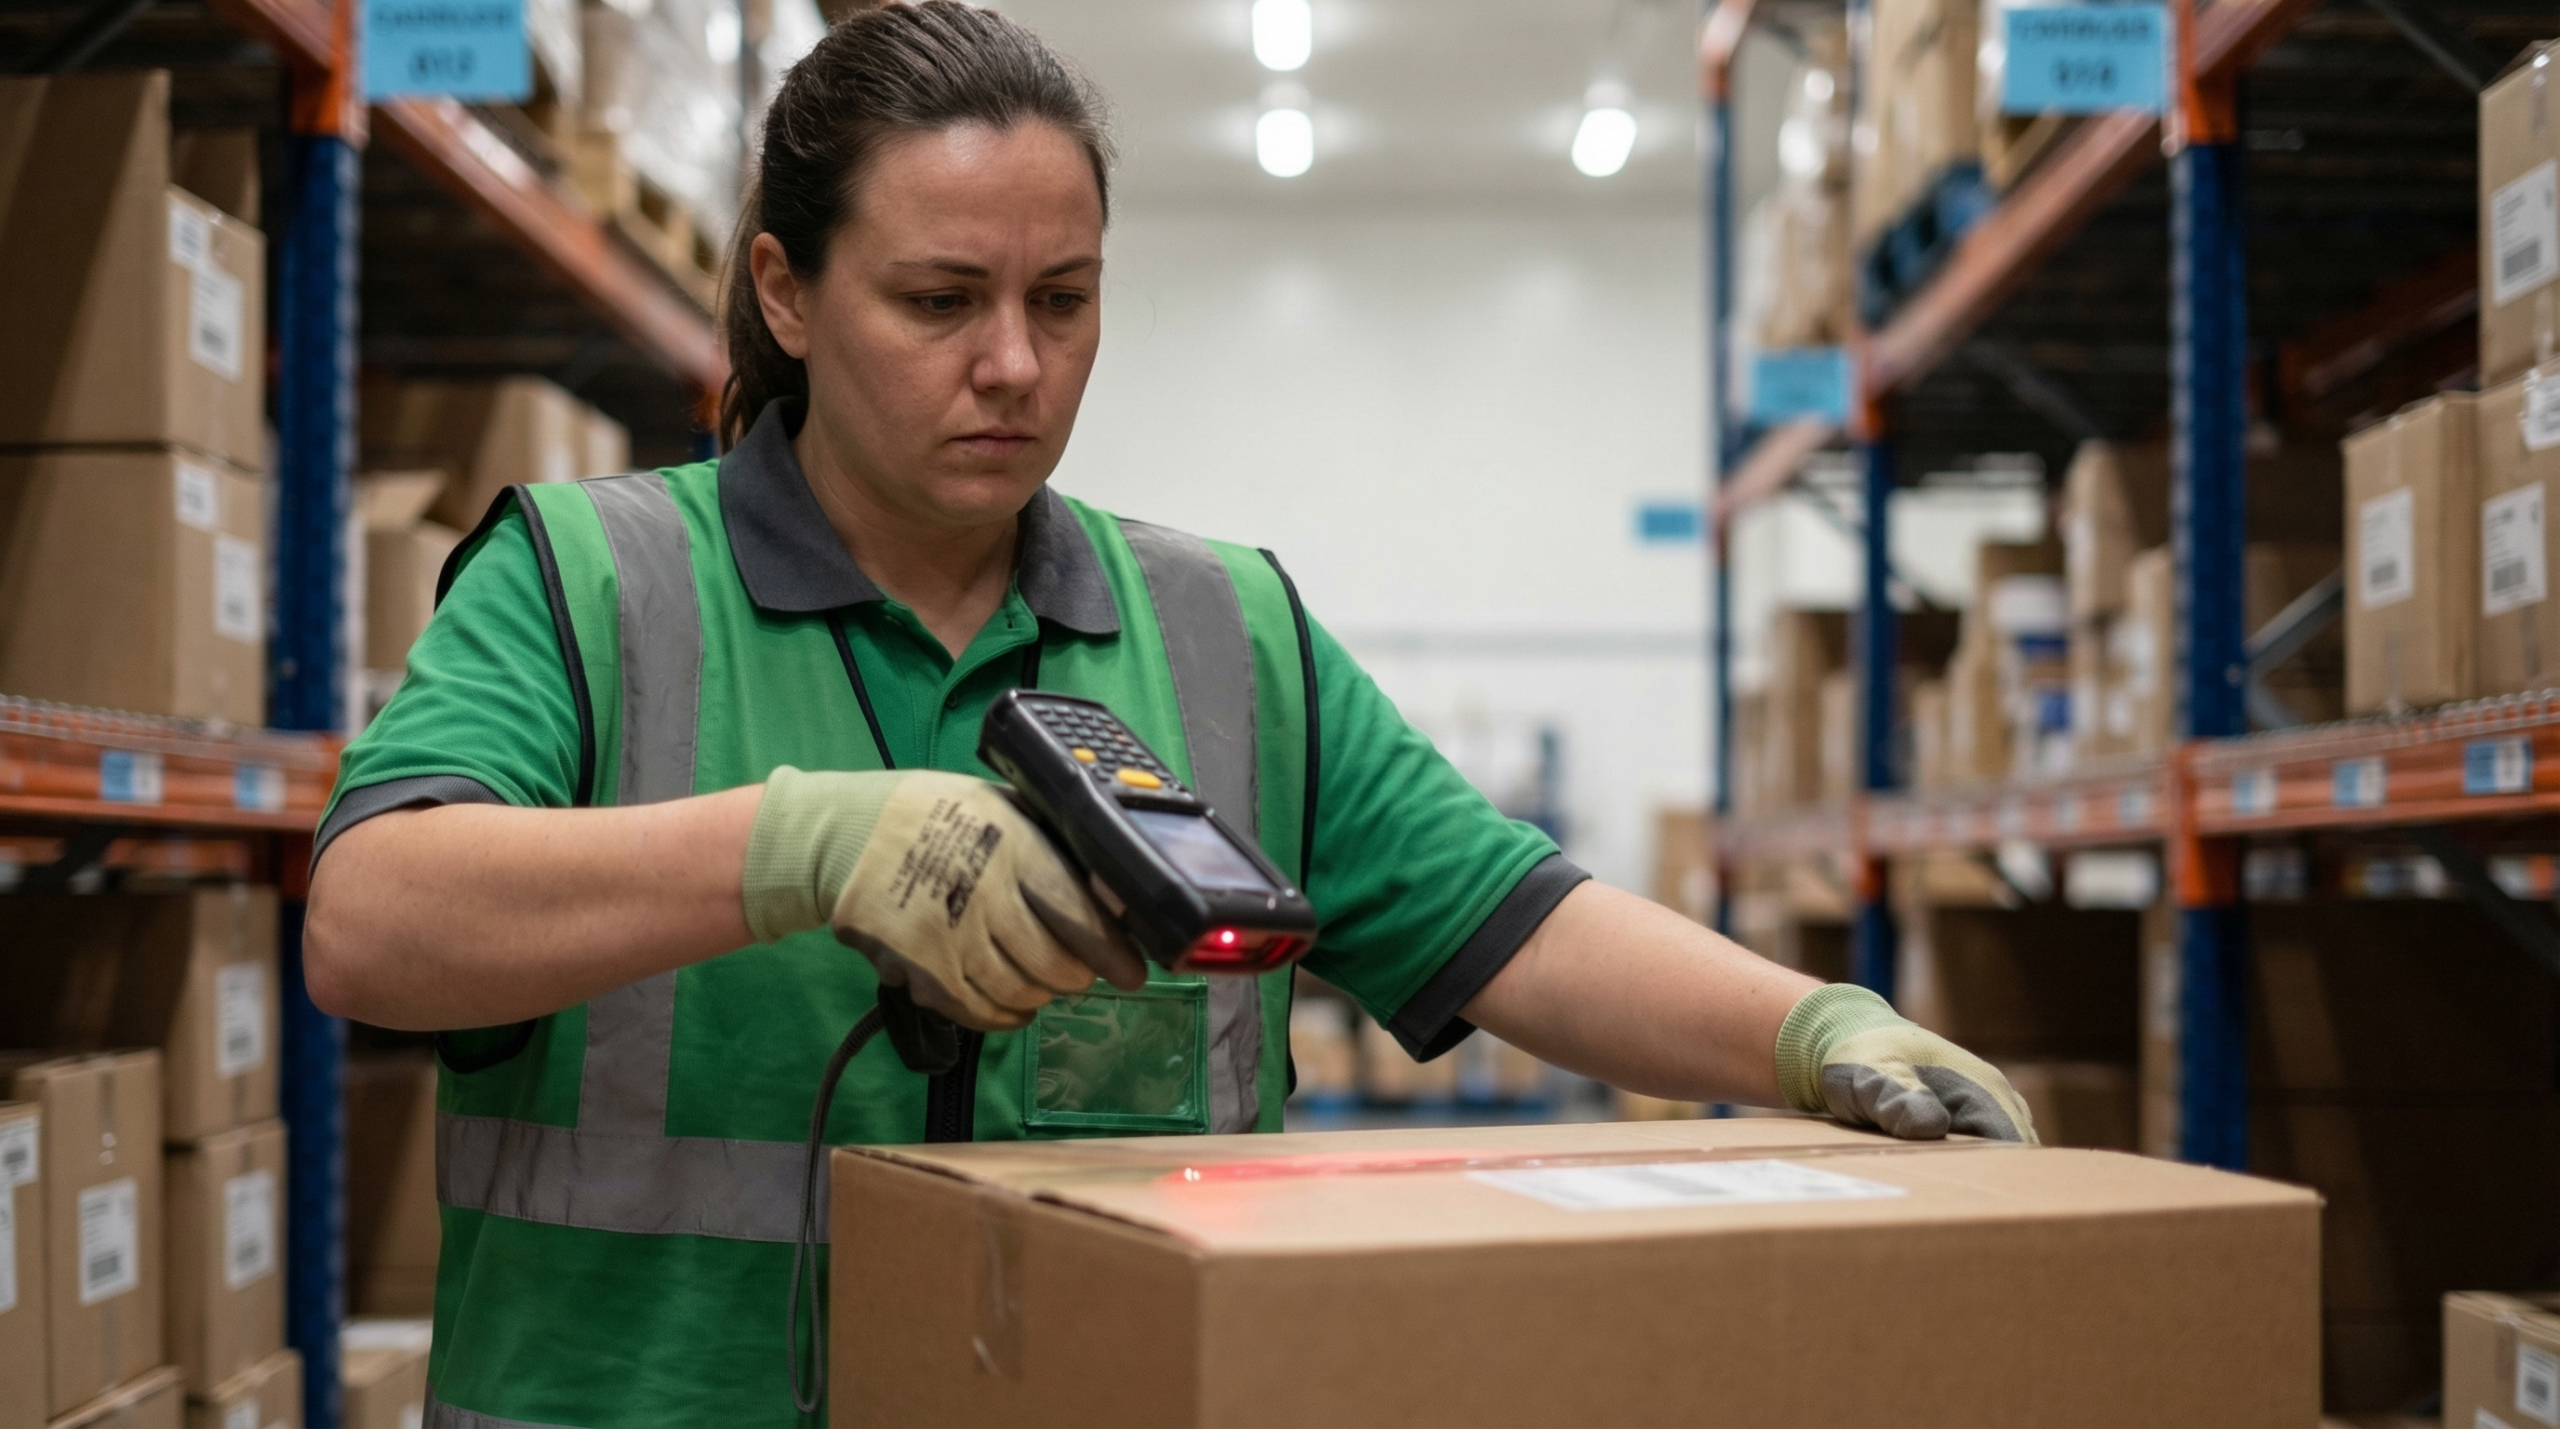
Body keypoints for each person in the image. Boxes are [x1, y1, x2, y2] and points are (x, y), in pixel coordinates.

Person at [305, 5, 2034, 1425]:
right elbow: (373, 921)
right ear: (782, 291)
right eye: (938, 301)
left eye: (1065, 301)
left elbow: (1511, 921)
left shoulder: (1222, 629)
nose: (1015, 365)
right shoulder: (594, 584)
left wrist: (1817, 1030)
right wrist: (796, 843)